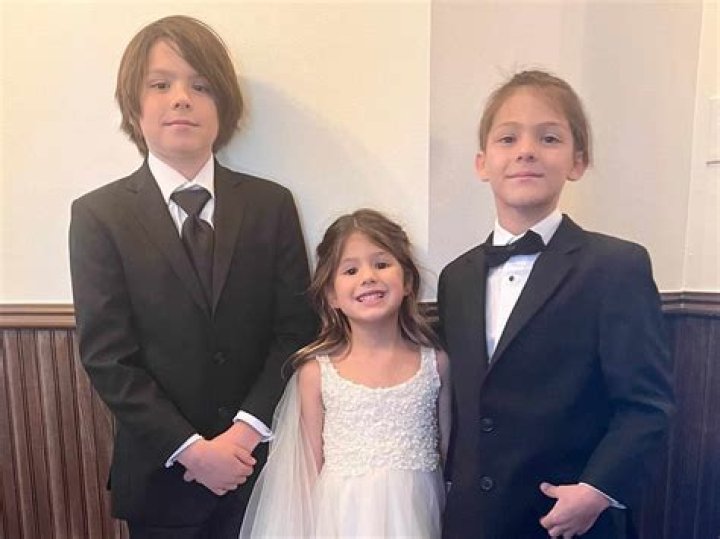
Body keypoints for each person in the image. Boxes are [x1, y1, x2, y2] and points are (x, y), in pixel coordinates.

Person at [69, 15, 317, 538]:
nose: (181, 98)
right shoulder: (99, 215)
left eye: (201, 85)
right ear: (134, 107)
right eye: (160, 84)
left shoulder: (270, 205)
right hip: (161, 477)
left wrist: (245, 433)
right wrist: (193, 451)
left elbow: (295, 328)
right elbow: (108, 356)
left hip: (261, 473)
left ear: (224, 105)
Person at [438, 70, 674, 539]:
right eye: (508, 138)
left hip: (568, 522)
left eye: (548, 138)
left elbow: (647, 406)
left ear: (577, 161)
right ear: (482, 163)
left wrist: (596, 491)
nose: (526, 150)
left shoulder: (616, 266)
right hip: (472, 522)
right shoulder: (455, 277)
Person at [240, 208, 451, 538]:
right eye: (351, 270)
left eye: (381, 264)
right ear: (331, 295)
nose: (368, 277)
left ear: (408, 281)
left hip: (419, 517)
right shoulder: (316, 374)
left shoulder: (436, 365)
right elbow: (306, 473)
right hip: (340, 521)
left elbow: (450, 455)